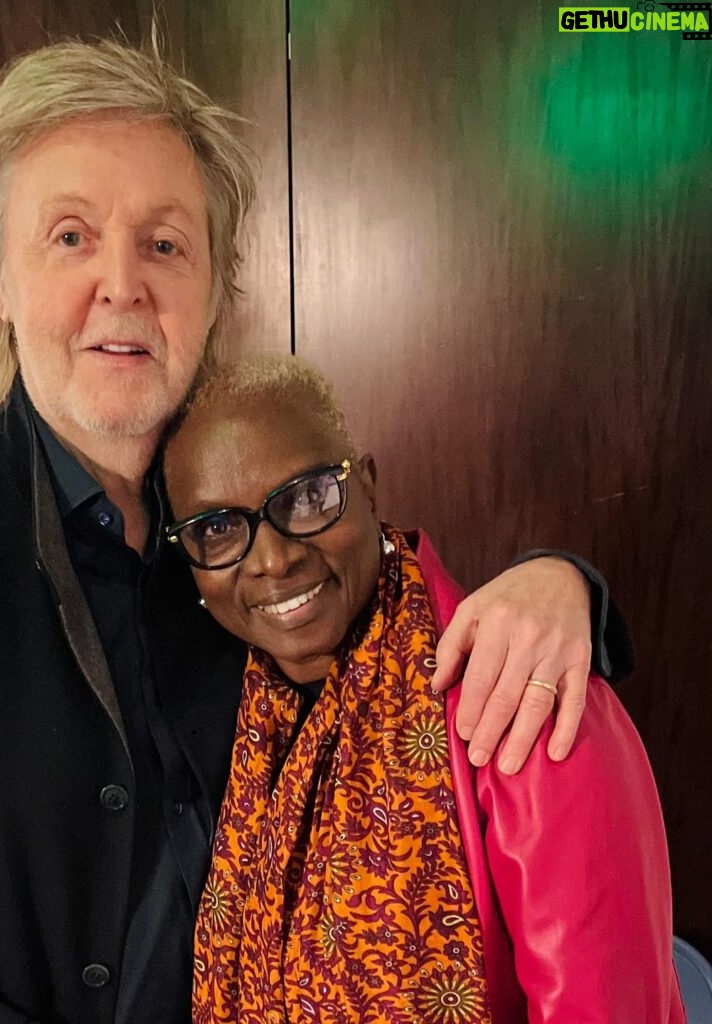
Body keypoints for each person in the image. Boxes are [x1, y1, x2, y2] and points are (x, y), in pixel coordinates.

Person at [0, 37, 630, 1024]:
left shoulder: (249, 527)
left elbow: (388, 599)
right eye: (69, 237)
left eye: (164, 244)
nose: (123, 284)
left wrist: (561, 579)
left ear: (214, 286)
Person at [161, 354, 683, 1024]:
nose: (273, 557)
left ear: (369, 486)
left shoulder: (524, 693)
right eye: (216, 528)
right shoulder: (235, 718)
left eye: (307, 497)